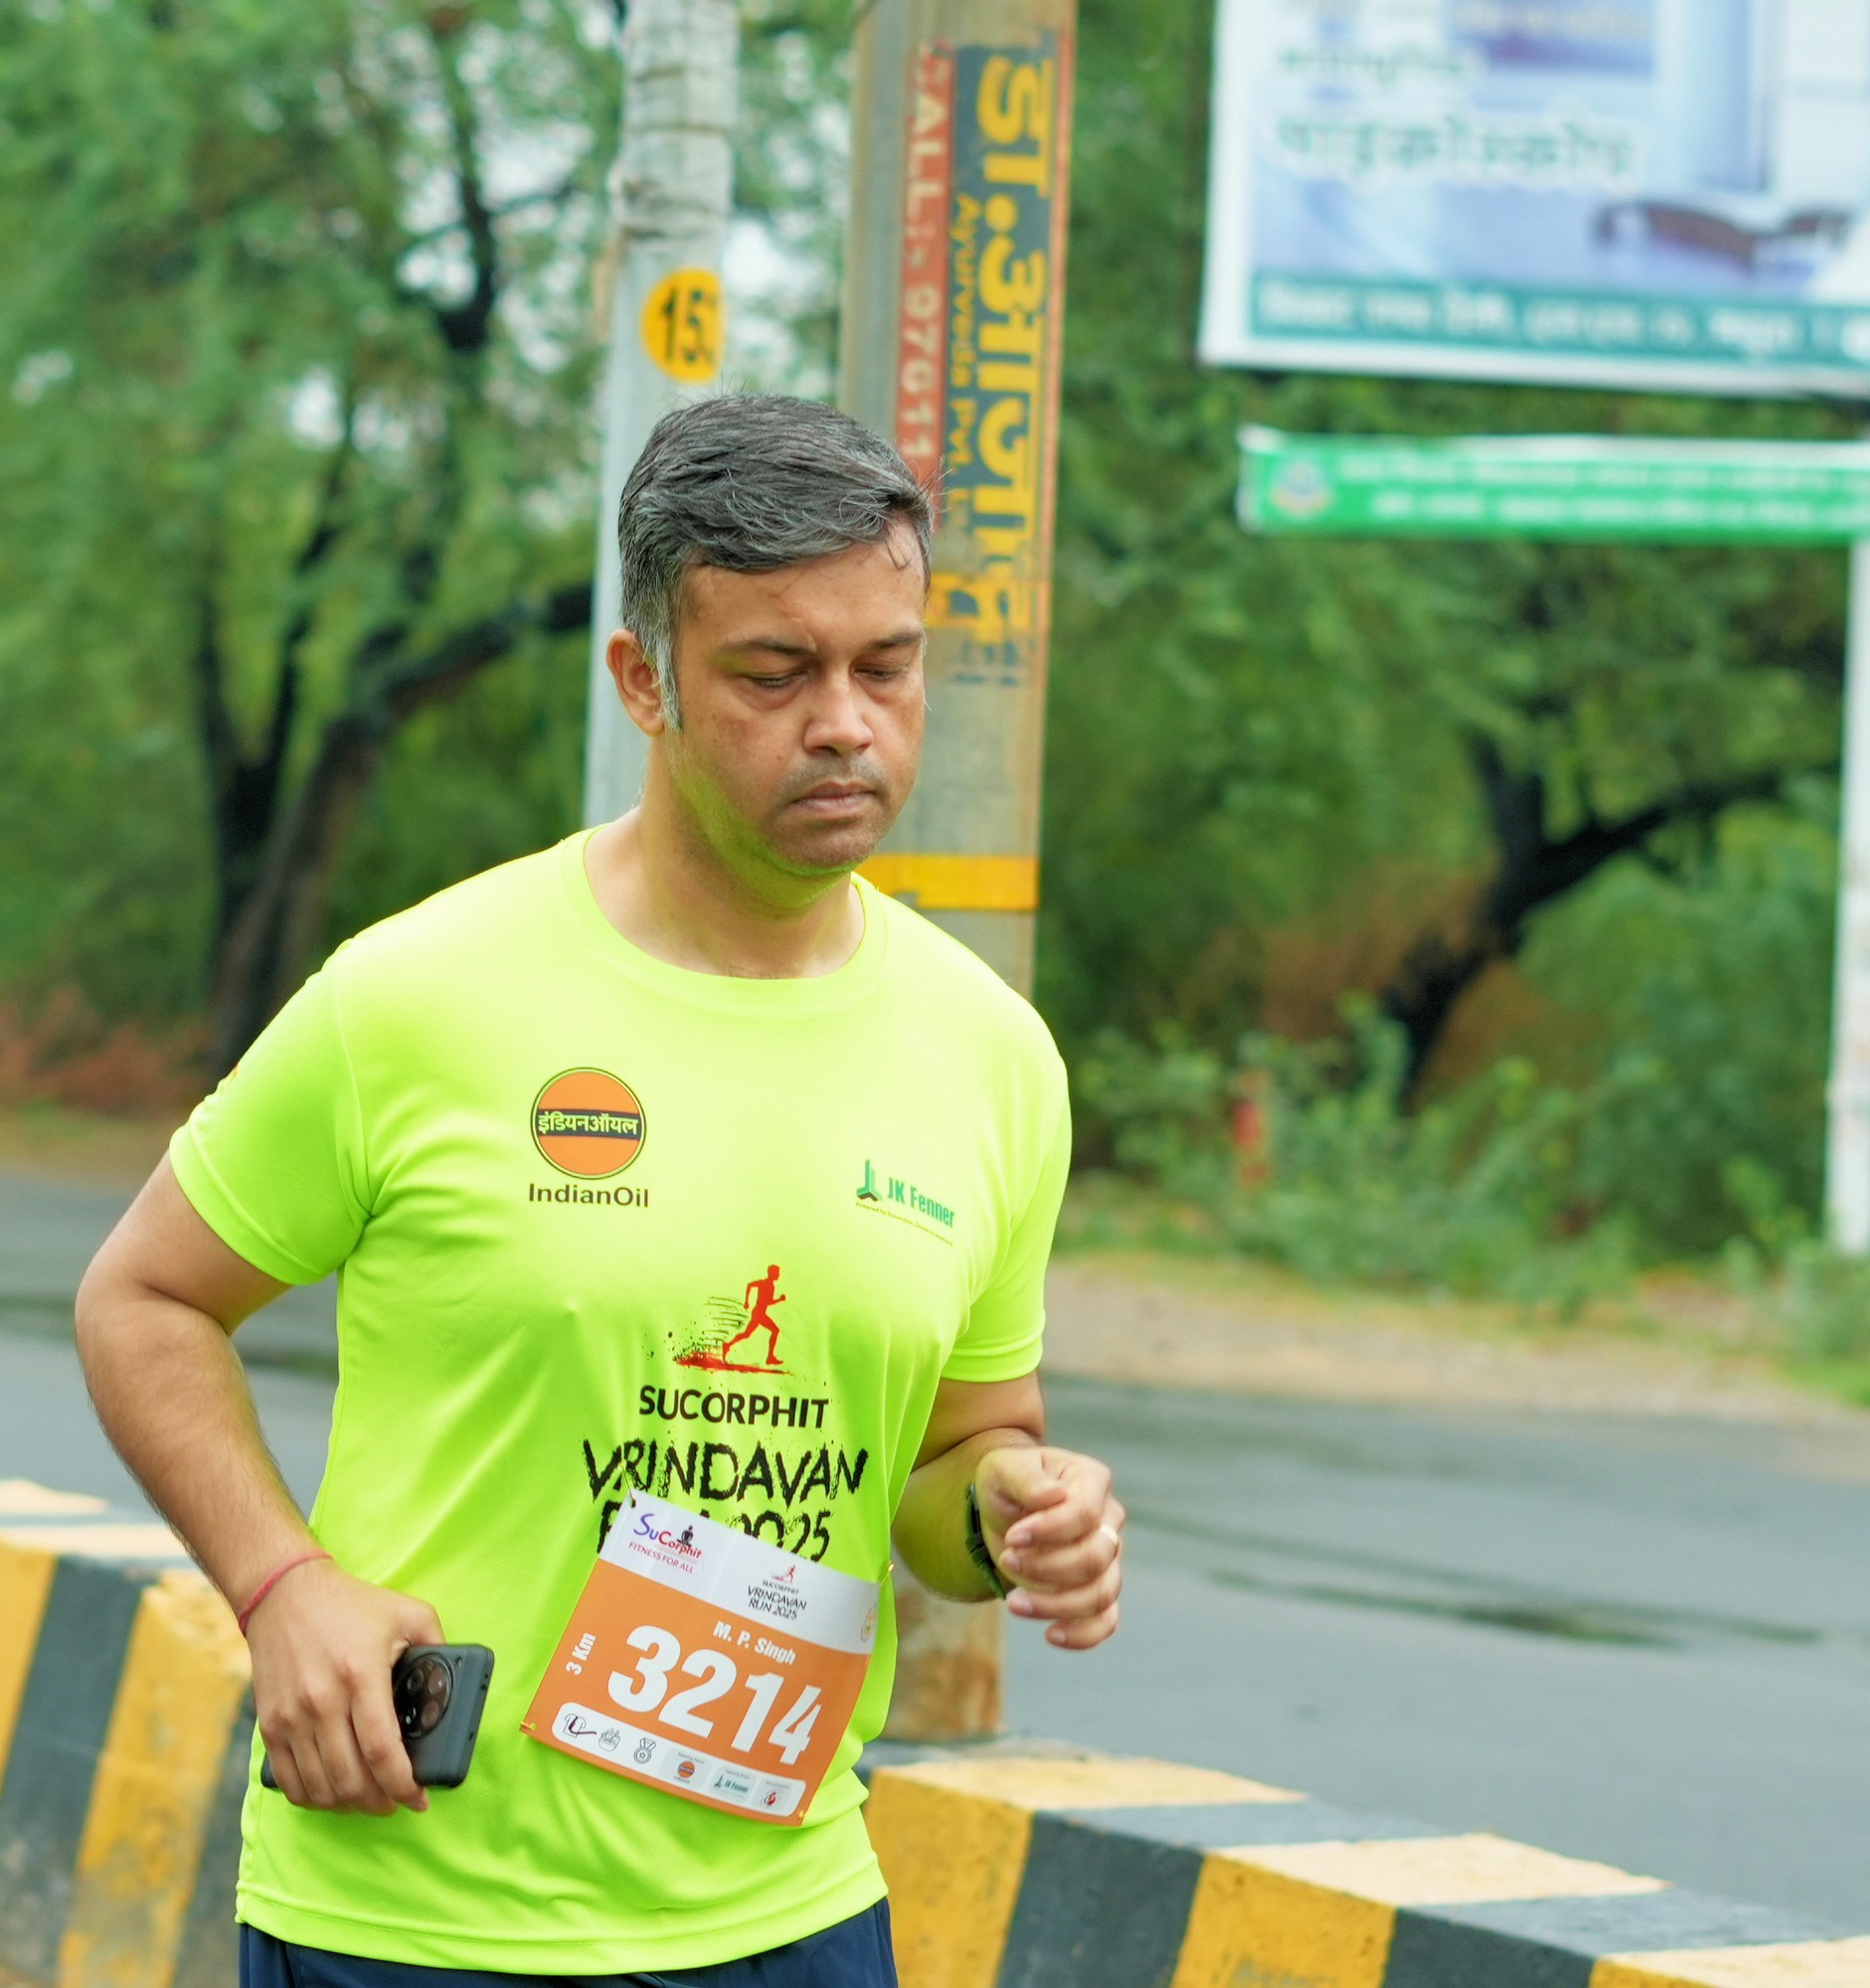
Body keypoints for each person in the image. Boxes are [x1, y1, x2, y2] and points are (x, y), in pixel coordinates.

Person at [76, 394, 1123, 1988]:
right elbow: (144, 1298)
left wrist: (1015, 1512)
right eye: (773, 673)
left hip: (789, 1918)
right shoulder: (418, 996)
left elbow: (956, 1453)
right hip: (415, 1918)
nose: (845, 724)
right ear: (645, 681)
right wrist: (281, 1587)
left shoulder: (991, 1056)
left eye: (885, 667)